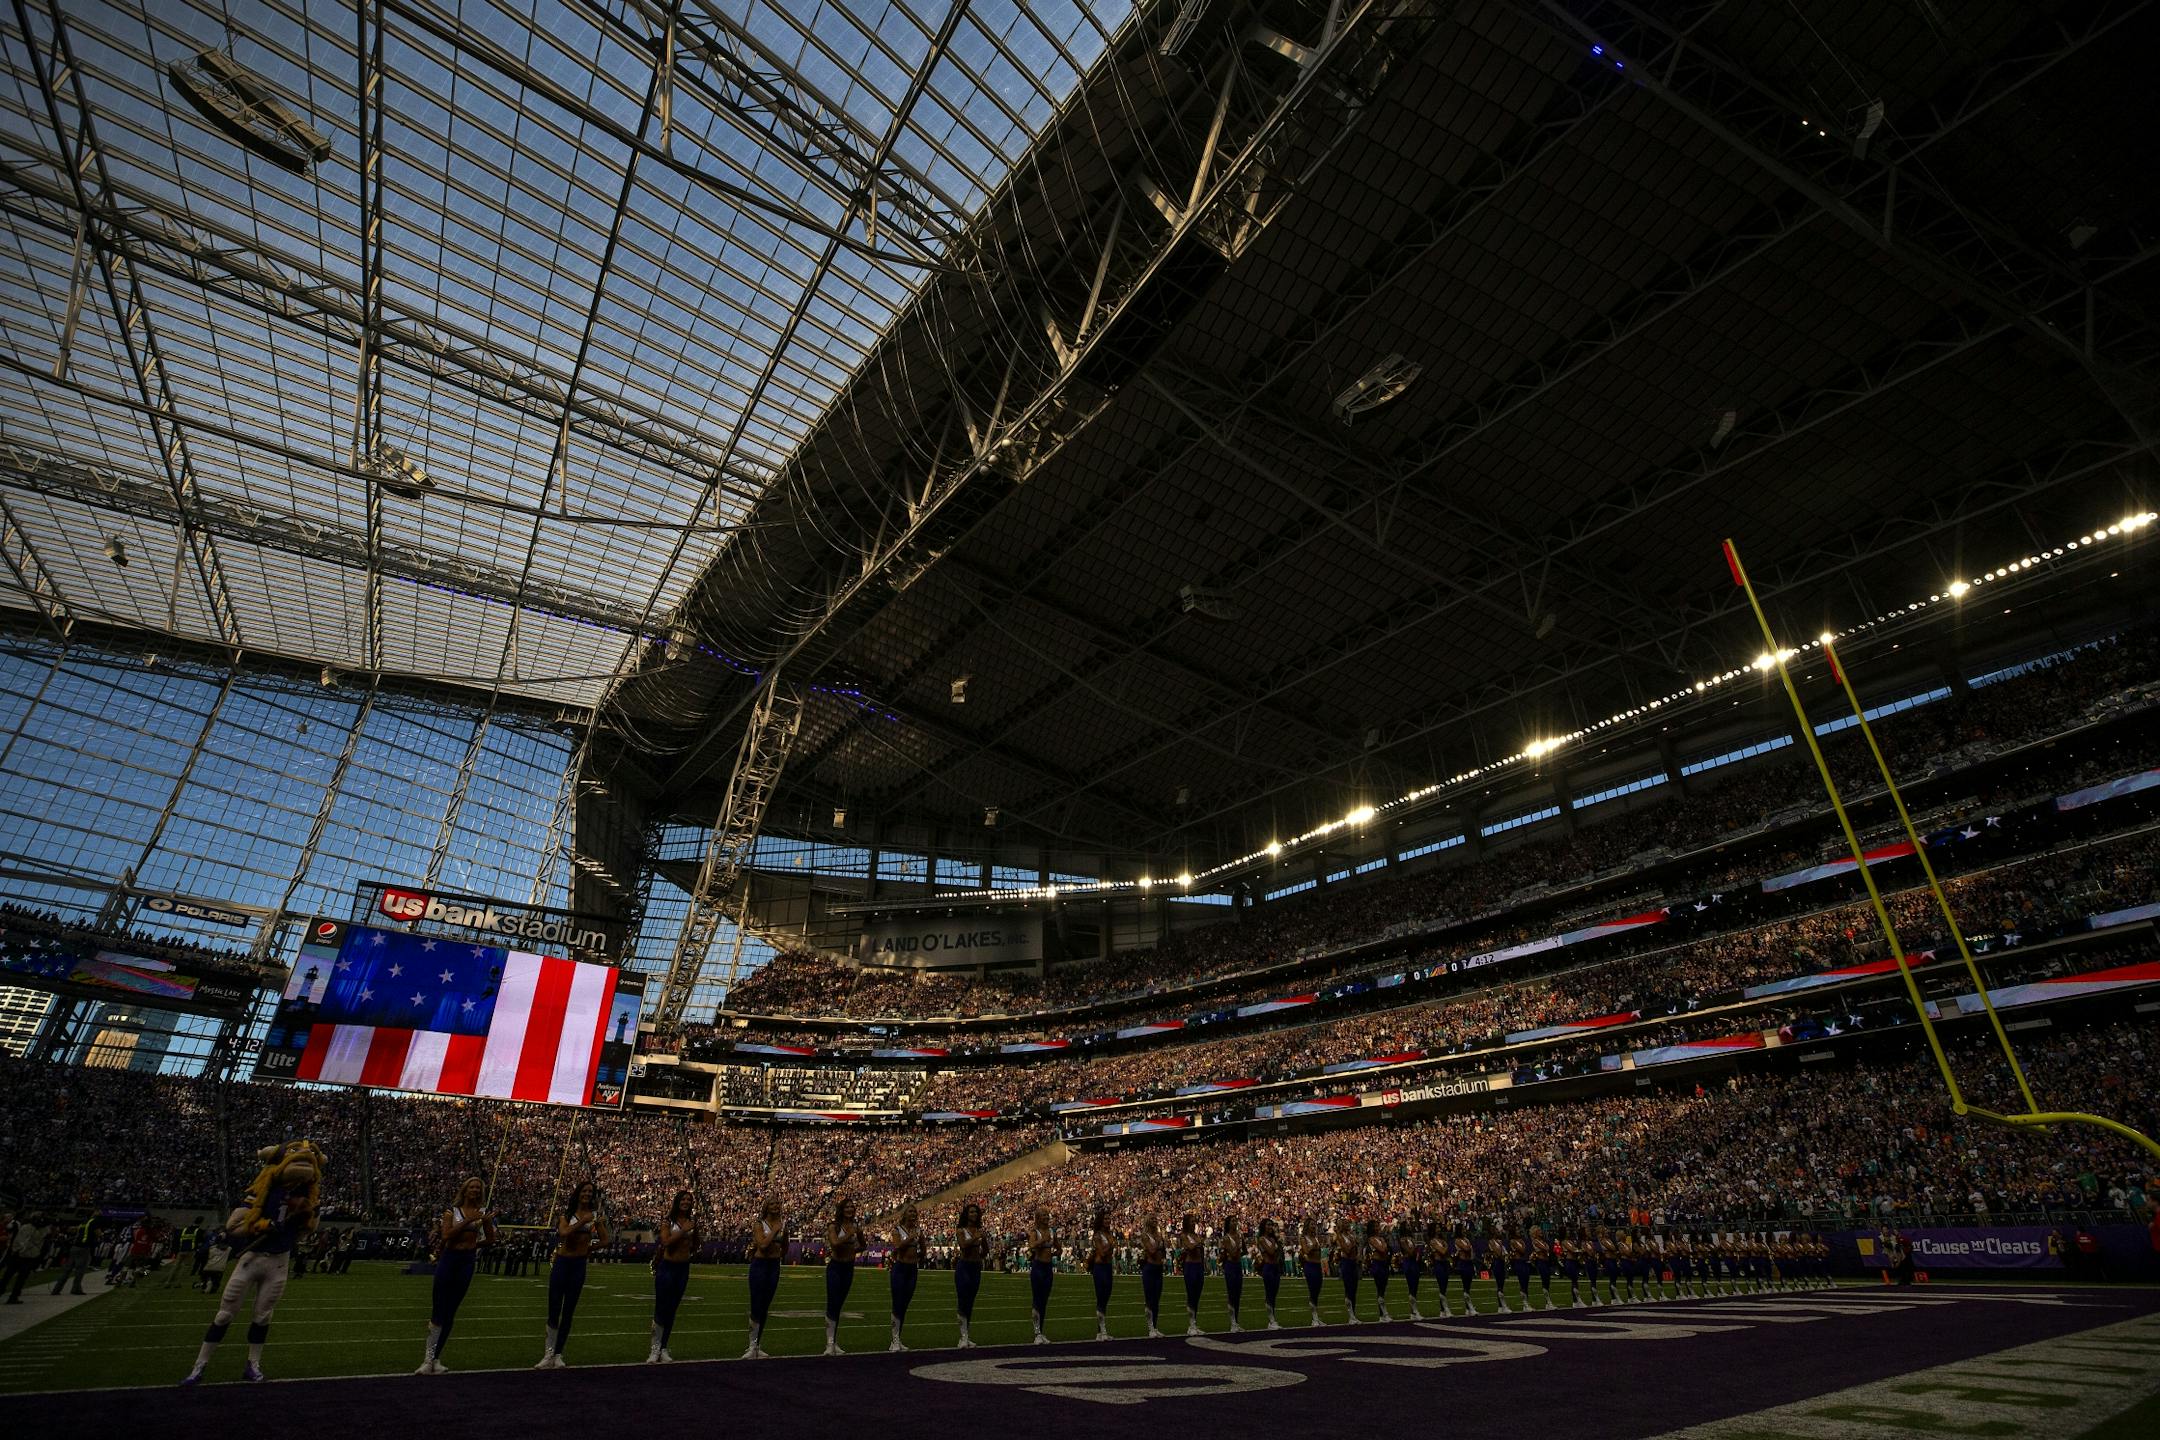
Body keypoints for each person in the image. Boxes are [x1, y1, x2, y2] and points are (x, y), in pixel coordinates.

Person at [183, 1144, 322, 1385]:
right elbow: (233, 1227)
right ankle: (199, 1366)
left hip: (279, 1261)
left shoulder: (306, 1198)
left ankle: (253, 1365)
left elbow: (305, 1233)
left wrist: (306, 1220)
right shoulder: (263, 1192)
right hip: (252, 1258)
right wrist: (264, 1225)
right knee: (225, 1314)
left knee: (263, 1316)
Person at [418, 1175, 495, 1375]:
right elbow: (447, 1235)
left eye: (478, 1188)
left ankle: (436, 1358)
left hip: (467, 1261)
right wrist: (470, 1220)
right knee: (438, 1309)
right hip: (449, 1259)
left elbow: (491, 1239)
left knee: (451, 1311)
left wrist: (474, 1244)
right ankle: (427, 1359)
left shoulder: (482, 1213)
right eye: (472, 1187)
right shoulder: (451, 1212)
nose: (475, 1190)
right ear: (465, 1189)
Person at [538, 1181, 608, 1368]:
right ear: (577, 1193)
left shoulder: (594, 1217)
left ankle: (559, 1353)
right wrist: (583, 1222)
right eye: (584, 1191)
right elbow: (563, 1233)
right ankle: (548, 1353)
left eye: (590, 1192)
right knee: (554, 1308)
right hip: (562, 1263)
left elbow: (605, 1240)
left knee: (568, 1311)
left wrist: (589, 1249)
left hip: (578, 1265)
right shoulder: (567, 1215)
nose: (587, 1194)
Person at [652, 1189, 698, 1362]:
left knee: (672, 1309)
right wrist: (683, 1231)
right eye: (683, 1199)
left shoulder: (692, 1222)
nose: (686, 1202)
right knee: (661, 1308)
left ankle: (663, 1347)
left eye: (689, 1199)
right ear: (677, 1201)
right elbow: (665, 1242)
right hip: (667, 1267)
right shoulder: (668, 1221)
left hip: (683, 1268)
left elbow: (695, 1244)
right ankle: (654, 1348)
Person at [742, 1197, 784, 1359]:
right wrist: (775, 1231)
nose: (775, 1206)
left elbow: (784, 1248)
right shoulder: (759, 1224)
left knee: (765, 1306)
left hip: (774, 1265)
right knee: (756, 1305)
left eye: (777, 1203)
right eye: (772, 1203)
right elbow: (763, 1244)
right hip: (760, 1265)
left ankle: (758, 1344)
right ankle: (751, 1345)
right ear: (766, 1207)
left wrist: (782, 1239)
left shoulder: (783, 1224)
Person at [823, 1196, 861, 1357]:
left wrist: (853, 1250)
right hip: (835, 1267)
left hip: (848, 1267)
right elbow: (835, 1243)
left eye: (852, 1207)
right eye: (847, 1207)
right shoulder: (834, 1226)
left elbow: (863, 1245)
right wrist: (849, 1235)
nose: (850, 1209)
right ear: (841, 1209)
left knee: (839, 1305)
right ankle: (829, 1343)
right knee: (833, 1302)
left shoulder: (855, 1226)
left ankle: (834, 1341)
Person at [889, 1203, 923, 1352]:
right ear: (904, 1214)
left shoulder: (918, 1230)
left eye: (914, 1212)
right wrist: (910, 1238)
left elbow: (923, 1247)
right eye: (910, 1211)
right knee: (897, 1303)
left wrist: (918, 1257)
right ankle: (894, 1339)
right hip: (900, 1268)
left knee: (905, 1304)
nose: (913, 1214)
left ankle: (898, 1337)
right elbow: (896, 1247)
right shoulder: (897, 1230)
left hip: (912, 1269)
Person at [953, 1202, 987, 1348]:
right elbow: (963, 1245)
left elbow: (985, 1250)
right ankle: (962, 1337)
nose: (974, 1214)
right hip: (964, 1266)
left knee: (971, 1302)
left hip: (975, 1266)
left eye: (975, 1212)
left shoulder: (979, 1230)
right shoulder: (961, 1230)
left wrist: (982, 1247)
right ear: (966, 1214)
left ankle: (967, 1335)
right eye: (971, 1212)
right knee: (963, 1301)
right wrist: (976, 1238)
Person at [1027, 1207, 1058, 1345]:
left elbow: (1058, 1247)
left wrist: (1056, 1252)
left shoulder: (1052, 1231)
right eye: (1044, 1215)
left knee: (1044, 1300)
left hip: (1048, 1267)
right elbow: (1031, 1245)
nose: (1047, 1217)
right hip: (1038, 1267)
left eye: (1047, 1215)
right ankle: (1036, 1332)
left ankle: (1041, 1331)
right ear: (1038, 1218)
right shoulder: (1035, 1232)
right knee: (1037, 1299)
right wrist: (1042, 1241)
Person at [3, 1211, 47, 1304]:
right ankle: (12, 1296)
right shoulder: (28, 1228)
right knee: (10, 1277)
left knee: (16, 1278)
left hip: (25, 1256)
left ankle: (14, 1296)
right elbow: (22, 1242)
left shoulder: (40, 1229)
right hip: (22, 1255)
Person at [1086, 1209, 1116, 1341]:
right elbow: (1102, 1253)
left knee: (1106, 1297)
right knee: (1101, 1297)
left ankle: (1101, 1331)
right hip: (1100, 1267)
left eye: (1109, 1219)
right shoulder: (1098, 1235)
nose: (1108, 1221)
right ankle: (1101, 1331)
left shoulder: (1109, 1234)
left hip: (1108, 1267)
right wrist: (1110, 1245)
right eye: (1105, 1219)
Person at [1138, 1213, 1168, 1338]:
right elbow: (1152, 1250)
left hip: (1158, 1268)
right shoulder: (1146, 1236)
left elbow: (1163, 1251)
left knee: (1157, 1298)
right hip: (1149, 1268)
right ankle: (1150, 1327)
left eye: (1156, 1219)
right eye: (1152, 1219)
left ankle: (1155, 1326)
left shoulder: (1159, 1235)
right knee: (1150, 1298)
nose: (1155, 1221)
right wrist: (1159, 1241)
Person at [1178, 1214, 1208, 1336]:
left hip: (1198, 1266)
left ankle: (1194, 1322)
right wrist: (1198, 1242)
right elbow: (1189, 1247)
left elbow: (1200, 1251)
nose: (1193, 1223)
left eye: (1194, 1221)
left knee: (1197, 1295)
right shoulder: (1184, 1235)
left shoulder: (1196, 1236)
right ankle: (1191, 1325)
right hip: (1190, 1266)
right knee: (1191, 1294)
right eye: (1191, 1221)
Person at [1255, 1217, 1286, 1330]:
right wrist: (1276, 1241)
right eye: (1268, 1225)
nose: (1270, 1227)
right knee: (1269, 1293)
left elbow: (1278, 1253)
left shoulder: (1273, 1239)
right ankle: (1271, 1320)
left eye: (1271, 1225)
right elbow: (1271, 1251)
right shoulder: (1262, 1239)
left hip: (1275, 1267)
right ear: (1263, 1227)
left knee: (1274, 1294)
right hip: (1267, 1267)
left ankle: (1273, 1318)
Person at [1220, 1215, 1247, 1334]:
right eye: (1232, 1221)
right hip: (1230, 1266)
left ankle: (1236, 1320)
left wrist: (1240, 1247)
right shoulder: (1226, 1238)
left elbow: (1244, 1251)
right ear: (1228, 1224)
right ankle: (1232, 1322)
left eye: (1236, 1220)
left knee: (1238, 1293)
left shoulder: (1240, 1236)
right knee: (1231, 1293)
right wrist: (1238, 1246)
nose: (1235, 1222)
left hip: (1237, 1265)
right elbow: (1232, 1252)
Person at [1332, 1216, 1362, 1323]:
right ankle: (1350, 1315)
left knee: (1354, 1289)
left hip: (1353, 1262)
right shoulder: (1339, 1236)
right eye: (1345, 1223)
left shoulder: (1350, 1235)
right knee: (1348, 1288)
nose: (1348, 1224)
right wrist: (1354, 1243)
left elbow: (1357, 1246)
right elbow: (1347, 1249)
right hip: (1346, 1262)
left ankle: (1353, 1313)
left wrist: (1358, 1253)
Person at [1297, 1217, 1326, 1326]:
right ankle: (1314, 1318)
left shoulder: (1315, 1237)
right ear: (1307, 1226)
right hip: (1310, 1265)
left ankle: (1316, 1317)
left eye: (1314, 1224)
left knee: (1317, 1290)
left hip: (1317, 1264)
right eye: (1312, 1224)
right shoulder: (1304, 1238)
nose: (1314, 1226)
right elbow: (1306, 1251)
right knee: (1313, 1289)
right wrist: (1313, 1246)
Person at [162, 1216, 203, 1290]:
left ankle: (167, 1282)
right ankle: (177, 1283)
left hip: (181, 1250)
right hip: (190, 1251)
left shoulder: (184, 1230)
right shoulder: (199, 1231)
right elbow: (200, 1242)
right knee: (185, 1268)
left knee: (175, 1267)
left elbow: (178, 1240)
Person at [1364, 1220, 1393, 1321]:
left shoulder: (1381, 1238)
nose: (1378, 1228)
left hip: (1384, 1263)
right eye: (1375, 1226)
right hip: (1377, 1264)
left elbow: (1385, 1248)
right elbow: (1382, 1249)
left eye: (1378, 1226)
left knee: (1383, 1288)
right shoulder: (1371, 1239)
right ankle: (1383, 1313)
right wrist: (1384, 1244)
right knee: (1380, 1288)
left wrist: (1384, 1244)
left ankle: (1382, 1314)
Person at [1398, 1218, 1425, 1320]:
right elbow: (1409, 1251)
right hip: (1408, 1262)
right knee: (1411, 1286)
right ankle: (1413, 1310)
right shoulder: (1402, 1239)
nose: (1409, 1226)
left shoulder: (1411, 1238)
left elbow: (1416, 1249)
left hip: (1414, 1262)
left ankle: (1414, 1311)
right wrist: (1416, 1250)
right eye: (1407, 1225)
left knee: (1415, 1286)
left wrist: (1417, 1251)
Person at [1452, 1226, 1478, 1315]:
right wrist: (1469, 1247)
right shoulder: (1457, 1240)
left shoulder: (1466, 1239)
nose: (1464, 1231)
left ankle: (1468, 1308)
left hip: (1469, 1262)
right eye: (1462, 1229)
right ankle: (1469, 1307)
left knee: (1468, 1285)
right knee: (1465, 1284)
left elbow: (1471, 1250)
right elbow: (1467, 1248)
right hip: (1463, 1263)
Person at [1529, 1223, 1554, 1308]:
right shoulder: (1536, 1241)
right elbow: (1546, 1249)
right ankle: (1548, 1301)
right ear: (1535, 1232)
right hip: (1541, 1261)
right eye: (1539, 1230)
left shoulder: (1543, 1241)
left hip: (1546, 1261)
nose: (1541, 1232)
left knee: (1547, 1281)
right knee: (1545, 1280)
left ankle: (1548, 1302)